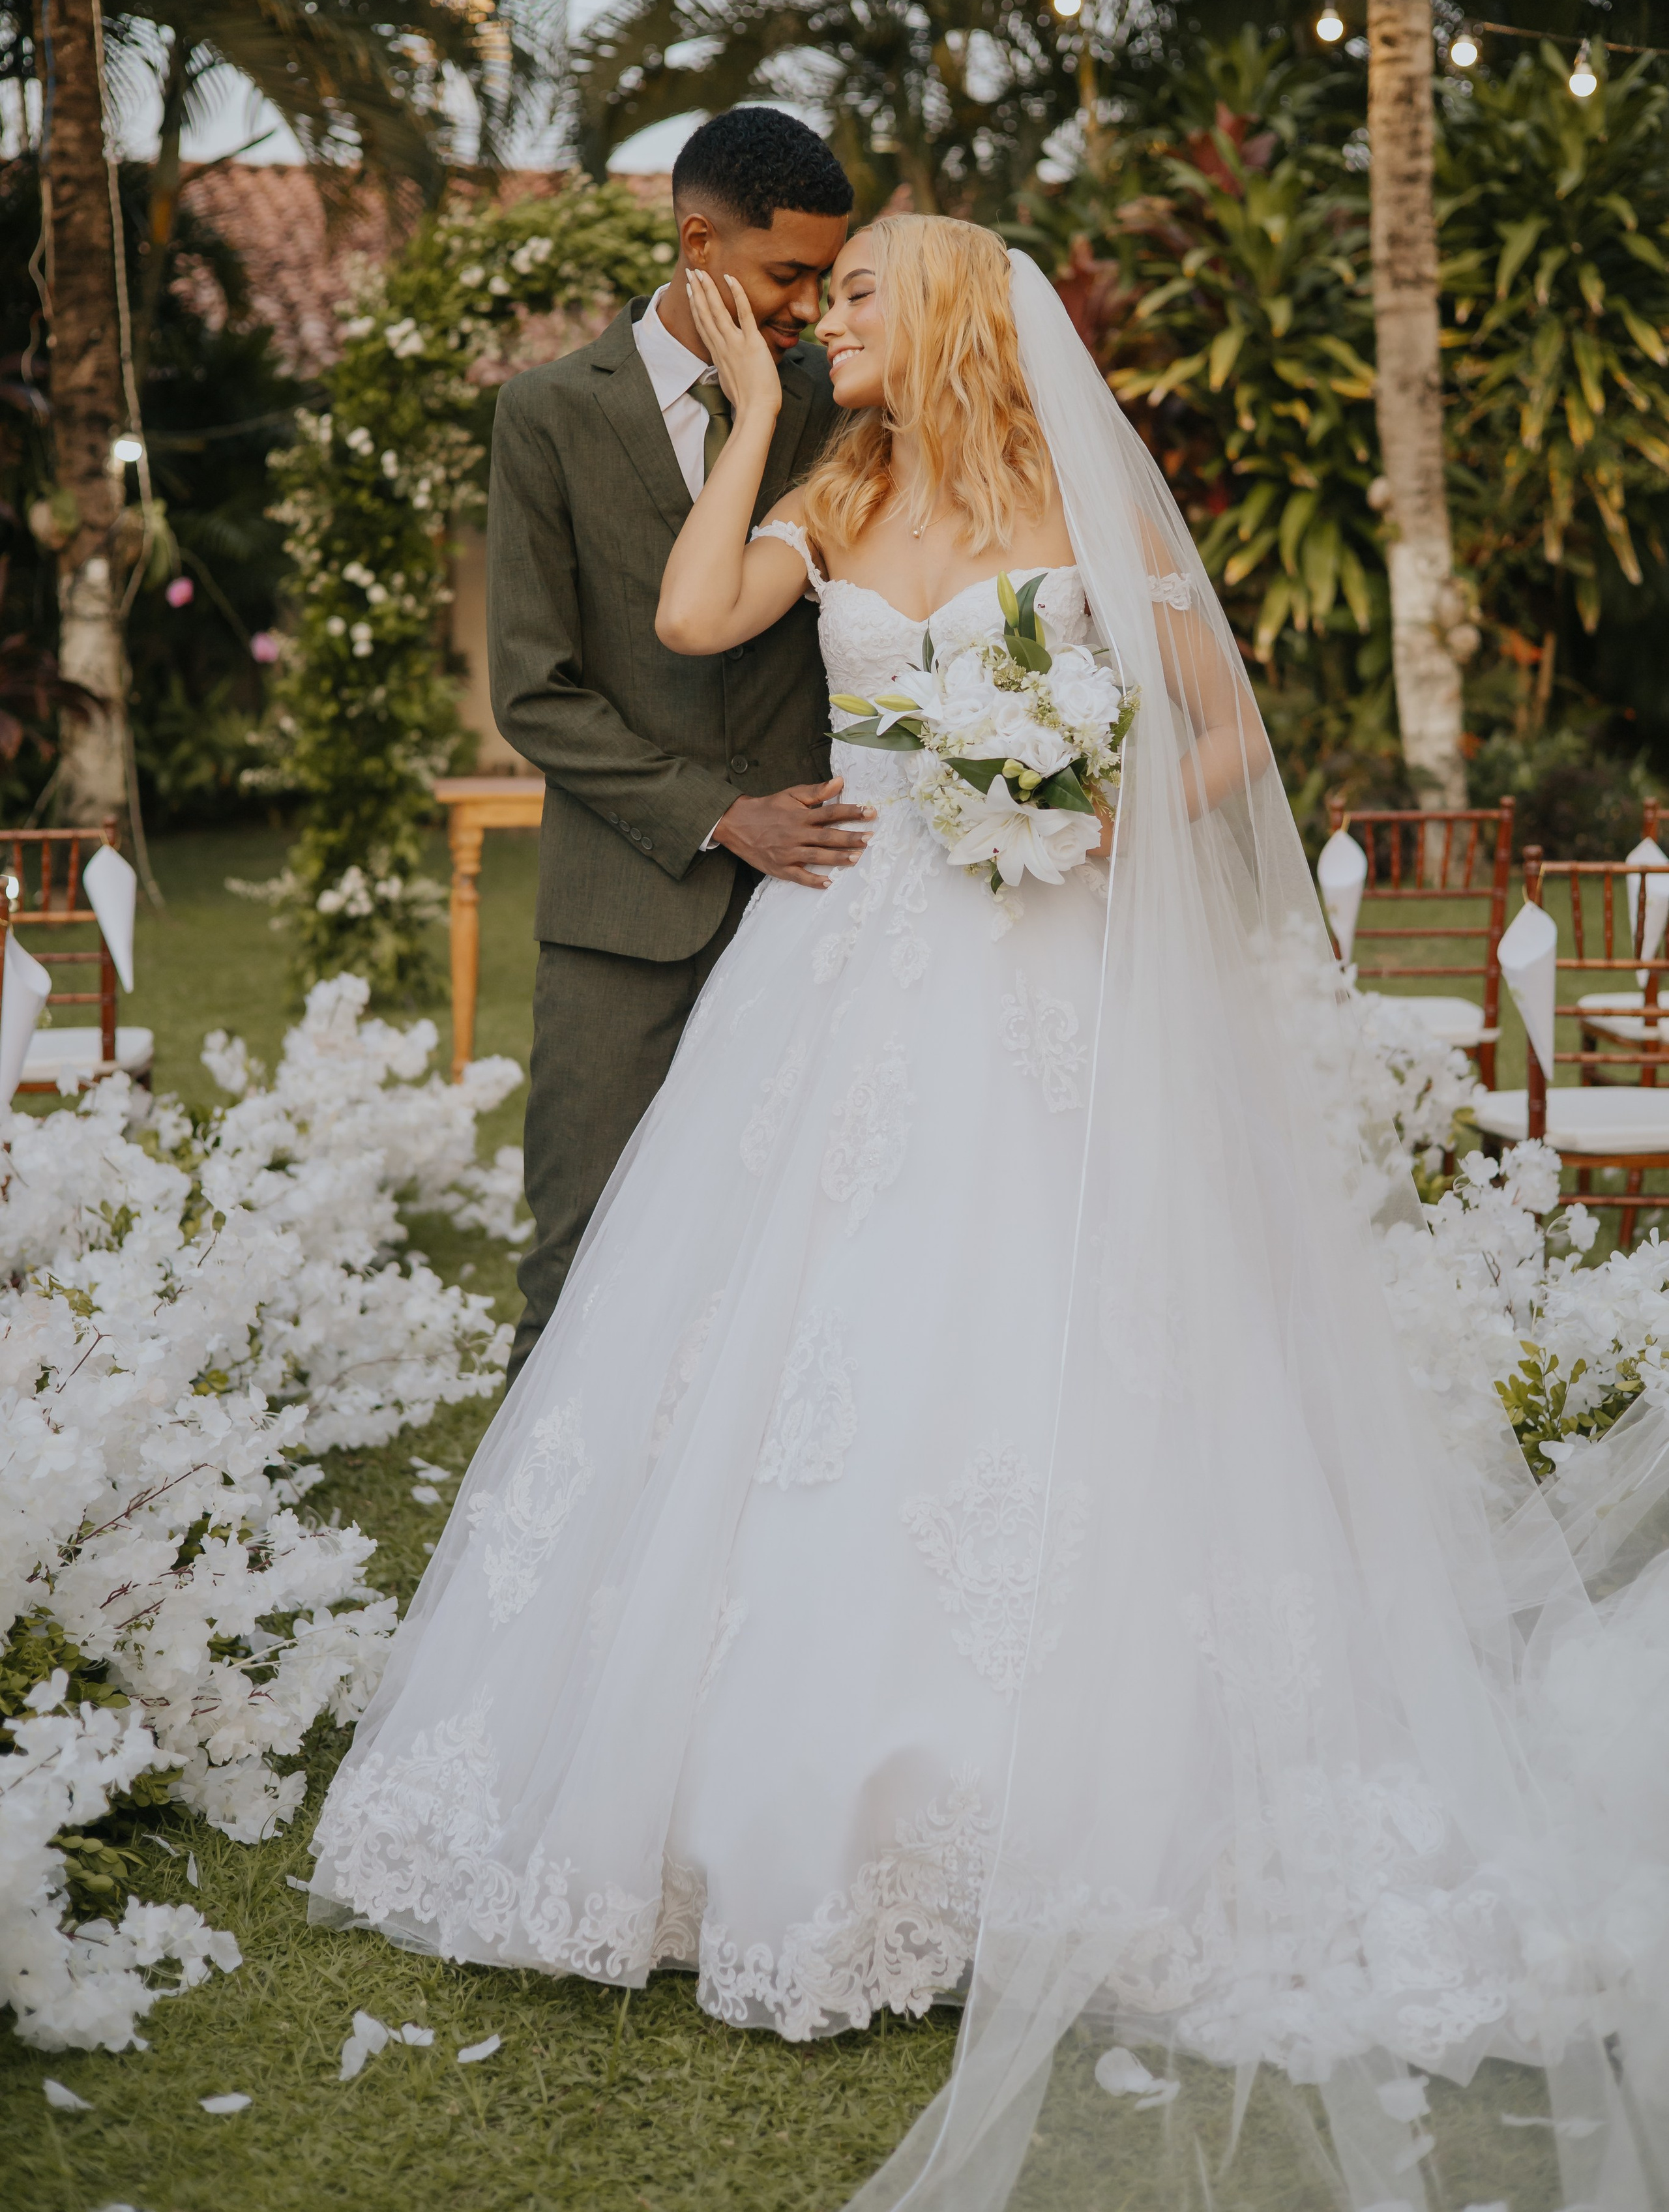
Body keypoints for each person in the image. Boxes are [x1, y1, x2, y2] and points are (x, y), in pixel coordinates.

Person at [314, 217, 1669, 2212]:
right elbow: (690, 617)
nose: (824, 319)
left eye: (856, 295)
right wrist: (755, 417)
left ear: (945, 309)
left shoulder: (1072, 497)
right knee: (798, 1336)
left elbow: (1222, 727)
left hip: (1042, 962)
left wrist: (1102, 818)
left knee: (1049, 1325)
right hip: (843, 968)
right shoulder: (829, 484)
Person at [486, 106, 870, 1379]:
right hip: (621, 911)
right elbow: (534, 692)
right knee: (578, 1252)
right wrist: (717, 814)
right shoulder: (547, 414)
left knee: (792, 1255)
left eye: (826, 277)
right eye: (787, 274)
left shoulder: (837, 405)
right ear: (699, 243)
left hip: (818, 898)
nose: (809, 308)